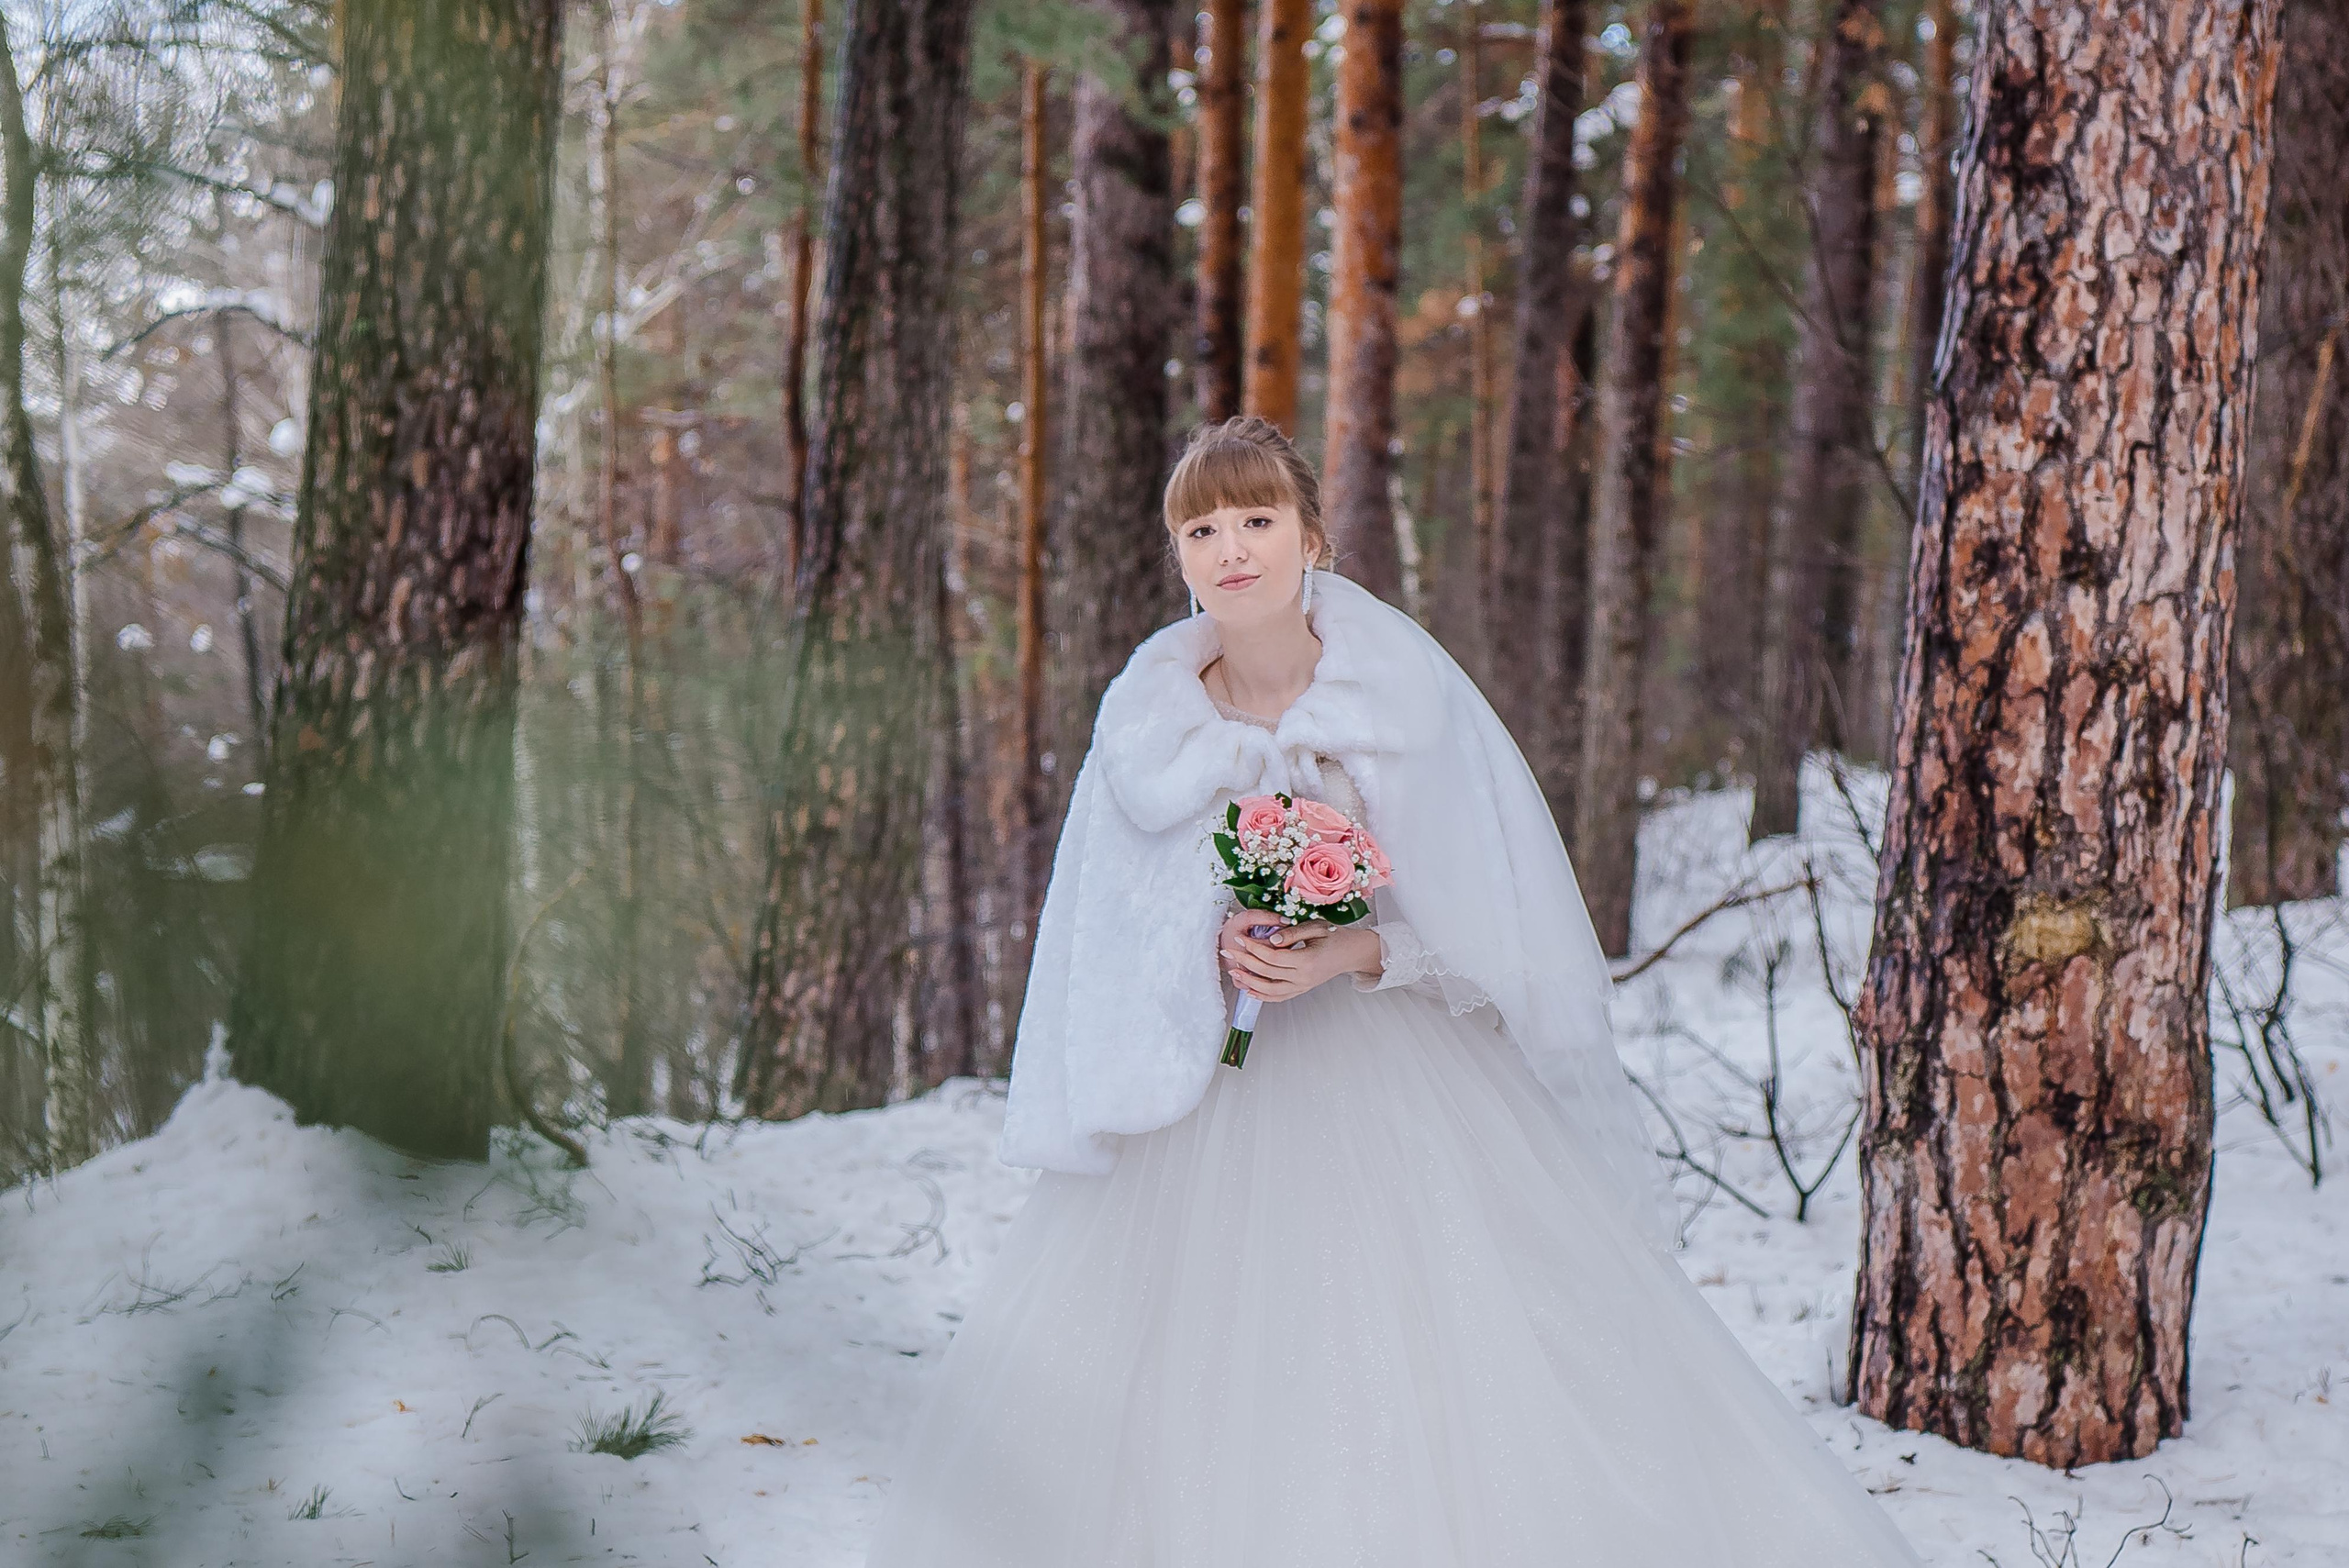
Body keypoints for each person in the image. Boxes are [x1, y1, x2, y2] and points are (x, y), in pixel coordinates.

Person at [862, 417, 1925, 1566]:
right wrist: (1212, 949)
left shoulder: (1396, 697)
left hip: (1395, 1078)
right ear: (1176, 555)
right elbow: (1100, 936)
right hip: (1198, 1096)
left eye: (1257, 519)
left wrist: (1350, 951)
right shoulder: (1147, 728)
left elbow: (1491, 920)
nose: (1232, 549)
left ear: (1311, 536)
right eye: (1202, 527)